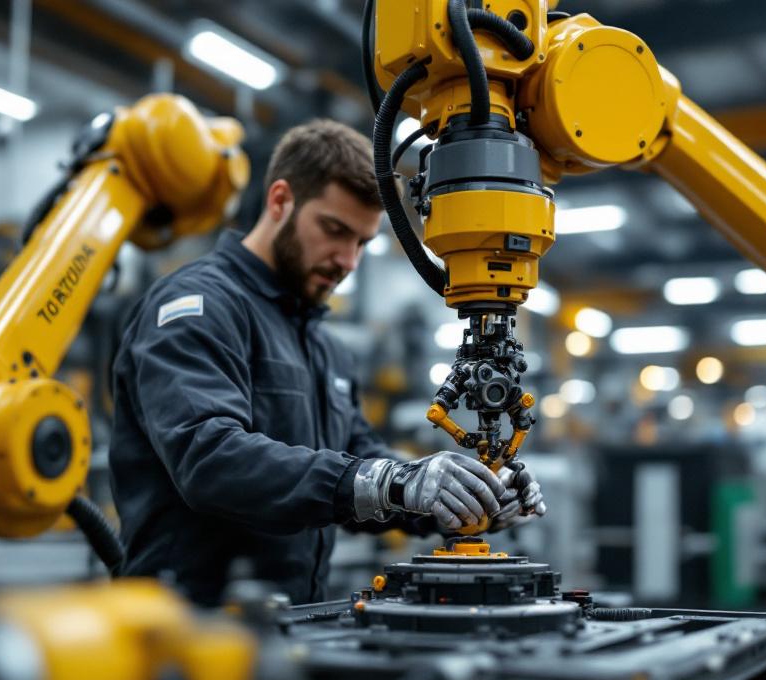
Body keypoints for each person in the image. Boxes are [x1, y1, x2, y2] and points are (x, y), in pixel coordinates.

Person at [109, 119, 546, 606]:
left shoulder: (324, 348)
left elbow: (362, 465)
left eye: (362, 242)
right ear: (280, 201)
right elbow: (208, 458)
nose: (348, 260)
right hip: (181, 632)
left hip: (289, 624)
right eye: (334, 230)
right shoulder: (199, 306)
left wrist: (458, 498)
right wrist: (390, 483)